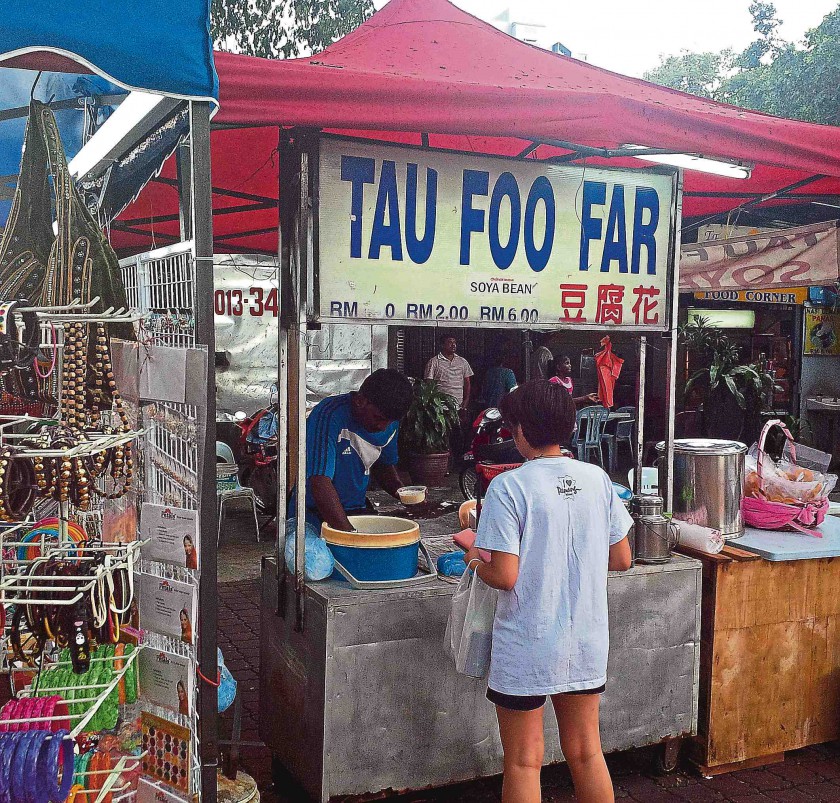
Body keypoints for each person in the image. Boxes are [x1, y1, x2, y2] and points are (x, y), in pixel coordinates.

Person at [464, 381, 633, 803]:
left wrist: (472, 558)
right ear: (569, 425)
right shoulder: (596, 479)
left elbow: (504, 575)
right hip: (584, 639)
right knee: (586, 751)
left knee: (524, 760)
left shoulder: (509, 487)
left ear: (519, 429)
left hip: (528, 641)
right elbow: (622, 558)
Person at [290, 368, 414, 532]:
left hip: (356, 510)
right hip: (309, 515)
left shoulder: (389, 422)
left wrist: (405, 494)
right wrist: (350, 535)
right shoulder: (329, 413)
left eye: (390, 422)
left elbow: (383, 466)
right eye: (378, 418)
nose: (382, 427)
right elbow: (319, 482)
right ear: (360, 401)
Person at [425, 336, 474, 464]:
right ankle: (445, 463)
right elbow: (429, 384)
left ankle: (457, 463)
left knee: (457, 436)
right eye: (449, 342)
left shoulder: (462, 362)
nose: (453, 345)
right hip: (440, 408)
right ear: (442, 345)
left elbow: (467, 383)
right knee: (442, 436)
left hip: (458, 407)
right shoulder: (434, 362)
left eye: (454, 342)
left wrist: (465, 402)